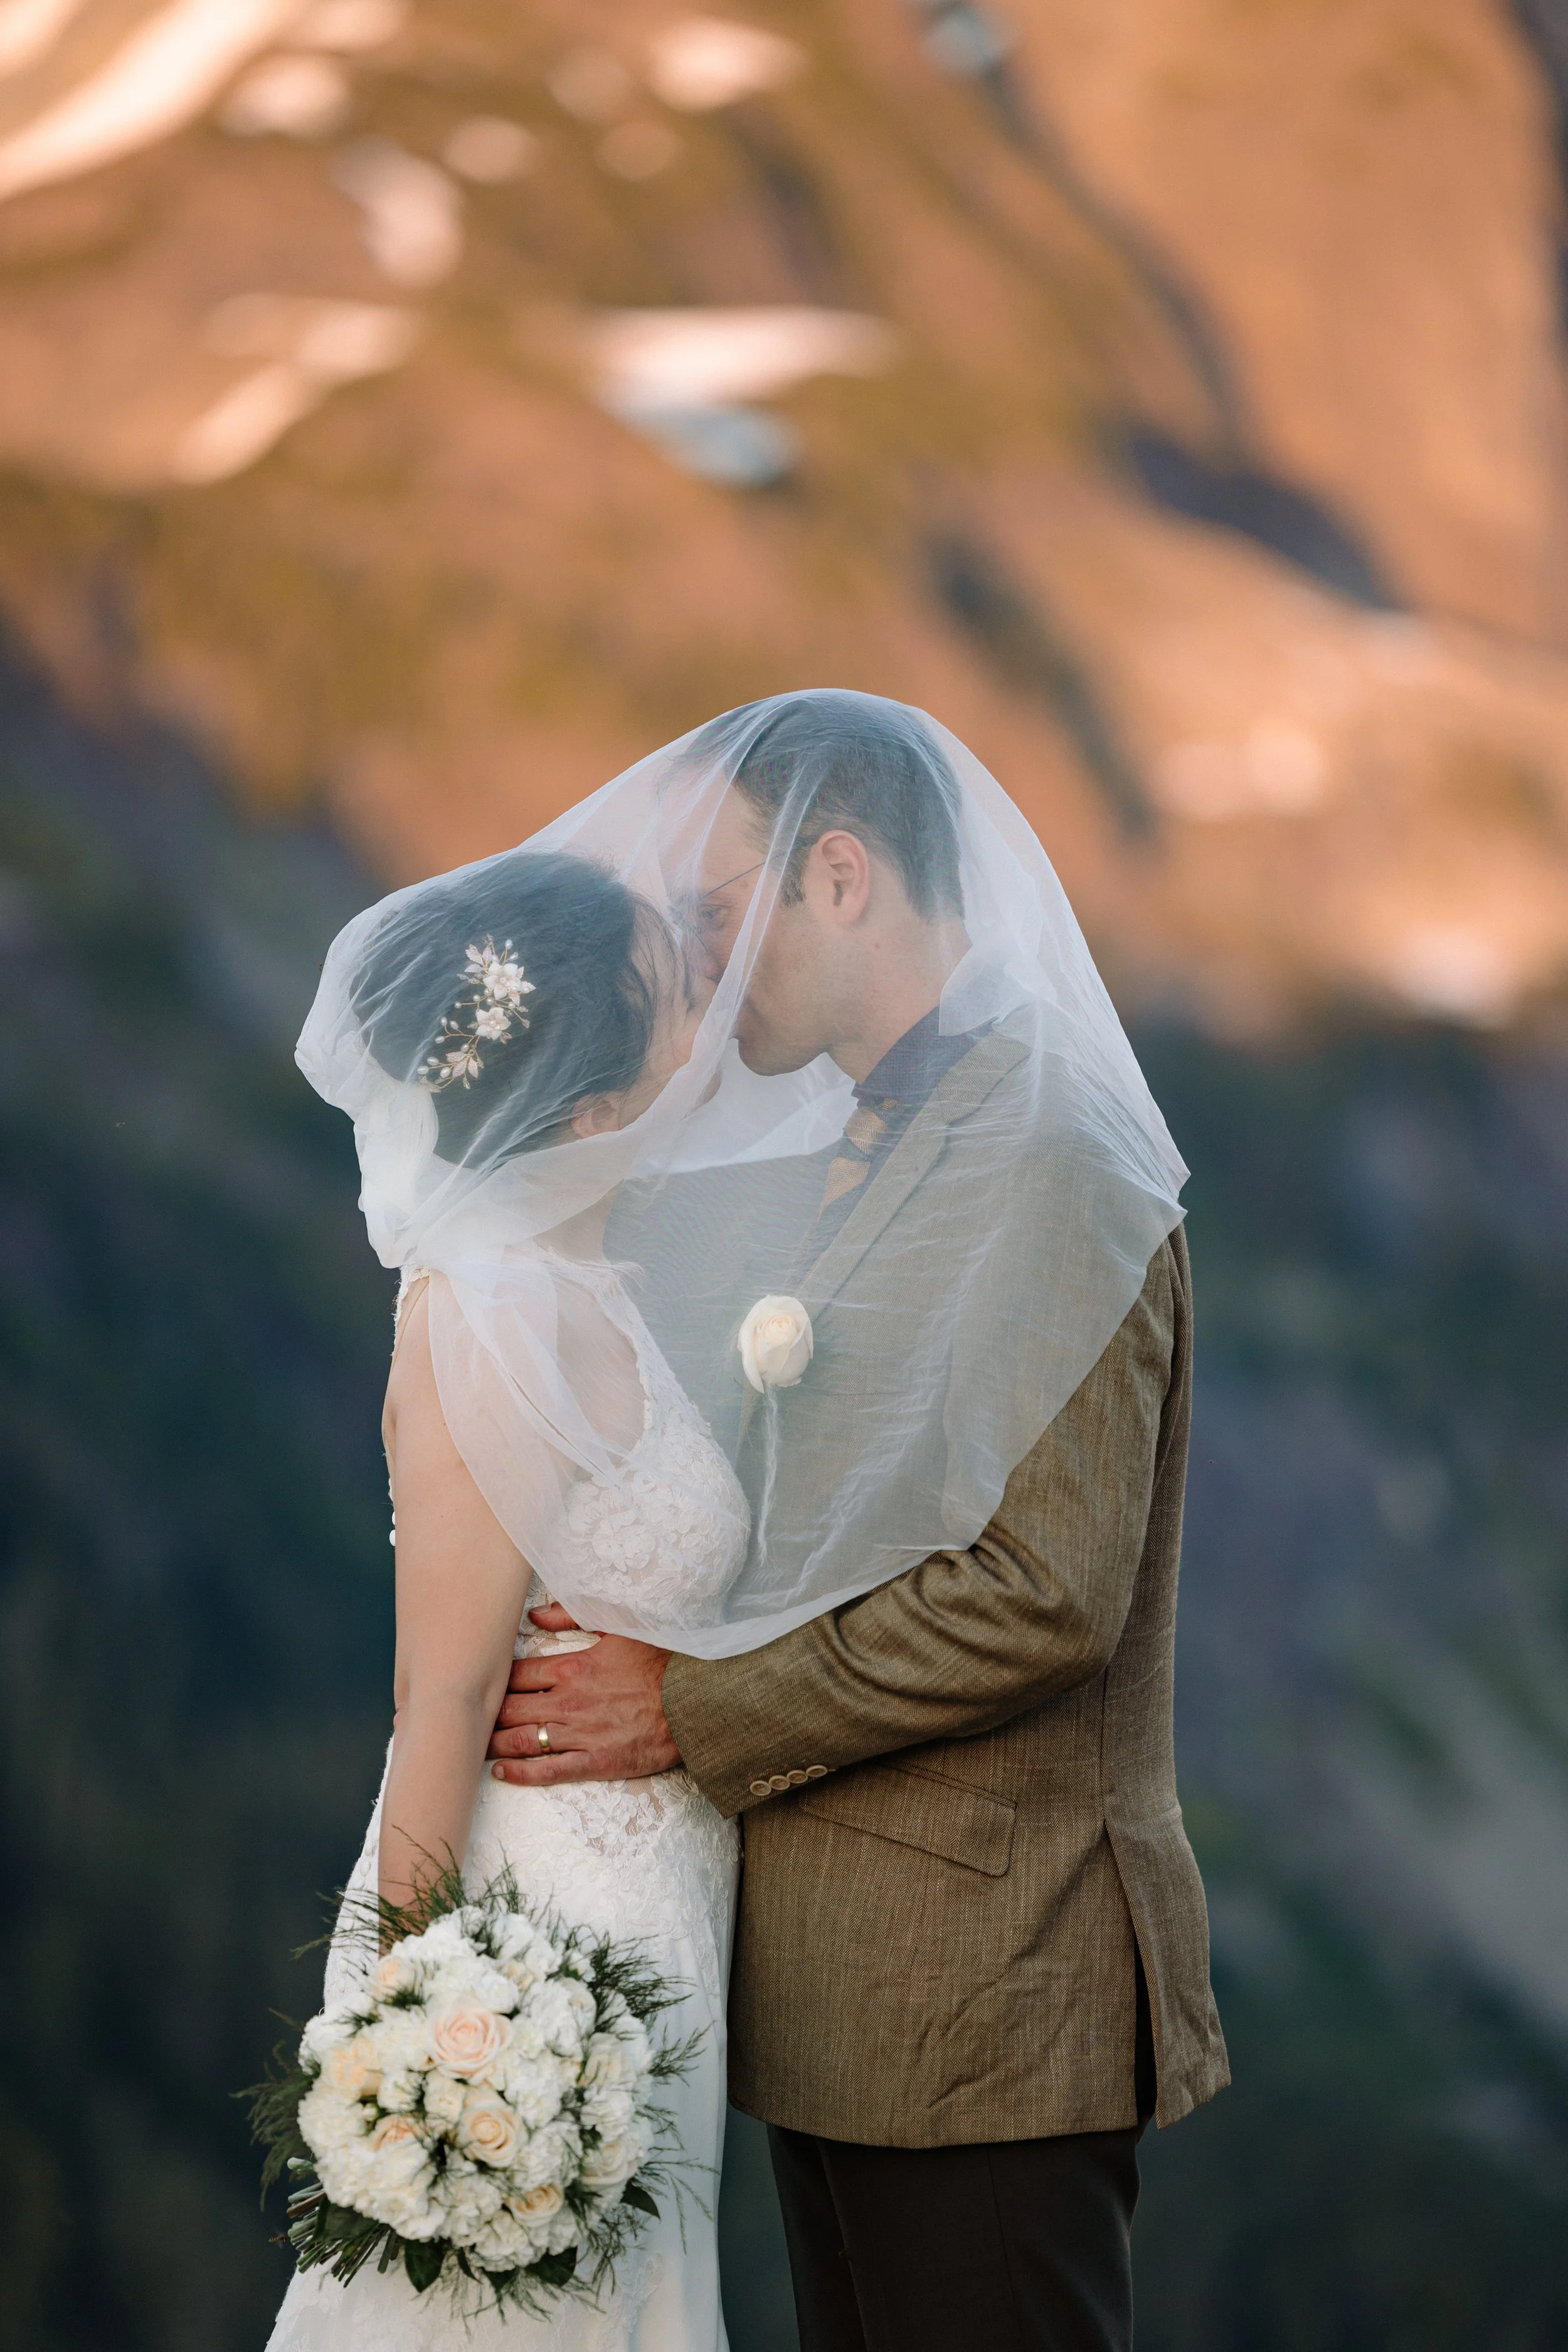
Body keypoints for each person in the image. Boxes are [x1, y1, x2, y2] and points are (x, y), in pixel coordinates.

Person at [486, 693, 1231, 2352]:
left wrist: (677, 1707)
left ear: (838, 875)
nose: (692, 961)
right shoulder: (877, 1131)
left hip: (981, 1985)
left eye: (713, 912)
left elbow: (1036, 1594)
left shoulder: (1048, 1147)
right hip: (856, 1990)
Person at [267, 850, 748, 2352]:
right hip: (538, 1967)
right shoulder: (487, 1309)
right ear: (592, 1106)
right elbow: (444, 1699)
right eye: (674, 1004)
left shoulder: (603, 1288)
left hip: (668, 1941)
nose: (707, 1028)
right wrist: (407, 2052)